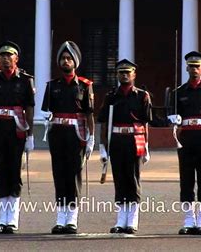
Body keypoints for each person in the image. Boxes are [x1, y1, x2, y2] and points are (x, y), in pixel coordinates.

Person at [0, 41, 35, 234]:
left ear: (16, 59)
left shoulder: (25, 80)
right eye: (1, 56)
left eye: (8, 55)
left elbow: (29, 108)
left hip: (17, 131)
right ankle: (2, 217)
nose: (4, 59)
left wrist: (30, 135)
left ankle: (13, 219)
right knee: (0, 172)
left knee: (14, 171)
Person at [41, 41, 95, 234]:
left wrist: (91, 138)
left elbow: (89, 114)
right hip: (57, 133)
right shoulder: (52, 86)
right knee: (59, 174)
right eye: (63, 58)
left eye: (69, 58)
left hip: (76, 134)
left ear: (75, 62)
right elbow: (47, 111)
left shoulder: (85, 86)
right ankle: (60, 218)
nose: (65, 61)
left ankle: (71, 218)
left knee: (73, 174)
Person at [167, 51, 201, 236]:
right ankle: (189, 220)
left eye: (197, 66)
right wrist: (172, 120)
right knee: (187, 179)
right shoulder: (178, 92)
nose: (194, 69)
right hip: (186, 139)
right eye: (191, 66)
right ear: (186, 68)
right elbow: (173, 118)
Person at [98, 59, 152, 234]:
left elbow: (144, 123)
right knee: (120, 179)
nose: (124, 75)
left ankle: (132, 220)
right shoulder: (111, 96)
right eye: (121, 72)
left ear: (134, 74)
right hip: (116, 139)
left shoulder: (142, 96)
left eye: (127, 72)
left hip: (134, 140)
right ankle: (121, 220)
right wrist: (103, 146)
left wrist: (147, 146)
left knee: (133, 178)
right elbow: (104, 122)